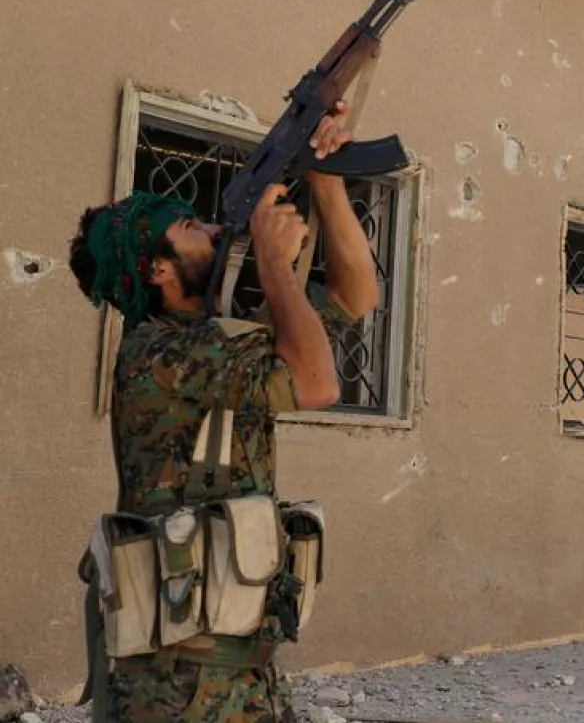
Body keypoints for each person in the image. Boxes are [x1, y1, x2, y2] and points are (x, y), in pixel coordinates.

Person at [66, 103, 377, 722]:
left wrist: (327, 182)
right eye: (188, 227)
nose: (212, 228)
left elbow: (352, 296)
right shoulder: (158, 350)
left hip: (232, 667)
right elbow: (316, 383)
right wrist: (273, 264)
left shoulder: (214, 339)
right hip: (176, 686)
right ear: (156, 269)